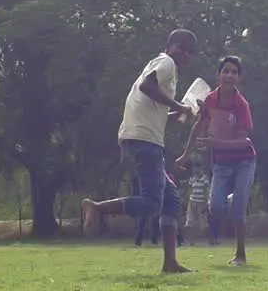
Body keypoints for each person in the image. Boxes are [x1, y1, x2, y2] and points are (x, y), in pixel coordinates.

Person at [82, 29, 198, 274]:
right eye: (181, 47)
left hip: (143, 137)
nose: (185, 53)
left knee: (171, 200)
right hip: (145, 140)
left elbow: (151, 104)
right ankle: (97, 207)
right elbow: (147, 87)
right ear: (168, 45)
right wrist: (179, 105)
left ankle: (170, 263)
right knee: (151, 202)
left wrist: (175, 112)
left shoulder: (163, 67)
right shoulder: (165, 62)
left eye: (189, 51)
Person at [180, 55, 257, 267]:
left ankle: (240, 254)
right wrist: (186, 154)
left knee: (239, 211)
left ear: (239, 78)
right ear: (218, 75)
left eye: (234, 72)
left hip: (244, 161)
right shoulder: (210, 100)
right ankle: (229, 201)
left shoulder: (242, 105)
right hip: (222, 164)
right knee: (214, 207)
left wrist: (215, 143)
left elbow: (244, 142)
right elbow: (198, 127)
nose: (229, 75)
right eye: (226, 71)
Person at [185, 165, 210, 239]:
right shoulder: (192, 178)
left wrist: (206, 203)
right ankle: (190, 239)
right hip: (192, 201)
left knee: (203, 222)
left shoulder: (204, 179)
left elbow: (206, 191)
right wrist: (187, 200)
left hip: (201, 202)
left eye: (198, 168)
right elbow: (189, 189)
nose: (196, 170)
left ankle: (210, 239)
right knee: (190, 221)